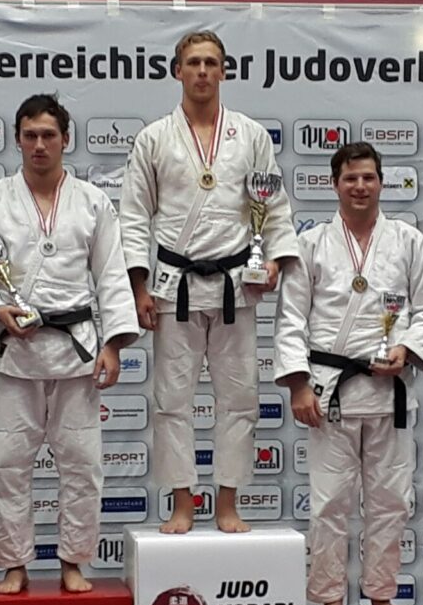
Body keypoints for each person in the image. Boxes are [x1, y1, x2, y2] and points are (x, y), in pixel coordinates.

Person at [0, 94, 139, 594]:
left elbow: (111, 274)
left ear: (65, 140)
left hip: (75, 352)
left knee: (82, 464)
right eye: (30, 135)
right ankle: (14, 563)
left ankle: (73, 561)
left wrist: (113, 344)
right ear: (17, 139)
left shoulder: (93, 202)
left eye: (49, 135)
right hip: (16, 354)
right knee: (8, 465)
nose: (39, 145)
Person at [121, 30, 299, 534]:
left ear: (224, 71)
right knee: (171, 401)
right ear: (177, 70)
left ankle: (227, 502)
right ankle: (182, 501)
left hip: (235, 286)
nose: (202, 71)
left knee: (239, 400)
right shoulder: (154, 138)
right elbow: (133, 216)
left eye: (211, 62)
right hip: (173, 285)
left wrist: (274, 262)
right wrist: (138, 287)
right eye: (193, 62)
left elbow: (273, 207)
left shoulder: (251, 135)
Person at [275, 142, 423, 605]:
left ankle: (382, 597)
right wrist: (299, 386)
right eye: (350, 178)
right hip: (331, 393)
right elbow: (291, 320)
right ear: (335, 184)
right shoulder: (311, 244)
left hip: (390, 394)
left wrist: (407, 348)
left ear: (381, 182)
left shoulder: (408, 241)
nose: (360, 186)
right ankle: (329, 598)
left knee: (391, 501)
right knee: (329, 502)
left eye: (368, 177)